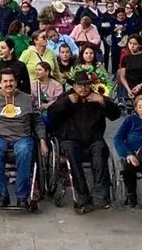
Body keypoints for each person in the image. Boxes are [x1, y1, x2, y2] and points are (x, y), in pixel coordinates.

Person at [0, 69, 49, 208]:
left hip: (22, 136)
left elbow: (37, 121)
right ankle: (2, 194)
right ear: (0, 83)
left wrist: (43, 141)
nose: (8, 84)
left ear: (16, 82)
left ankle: (22, 196)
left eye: (11, 81)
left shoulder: (27, 99)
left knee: (24, 152)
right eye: (5, 81)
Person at [49, 72, 120, 212]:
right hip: (71, 140)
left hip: (93, 140)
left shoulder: (96, 98)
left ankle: (101, 196)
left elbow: (115, 114)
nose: (83, 88)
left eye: (86, 85)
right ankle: (82, 196)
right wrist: (67, 101)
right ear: (74, 86)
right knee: (71, 152)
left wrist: (103, 101)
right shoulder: (66, 98)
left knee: (100, 150)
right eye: (79, 85)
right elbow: (51, 114)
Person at [118, 35, 142, 100]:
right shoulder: (125, 58)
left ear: (140, 45)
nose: (132, 46)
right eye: (130, 43)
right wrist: (128, 89)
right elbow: (122, 76)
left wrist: (140, 86)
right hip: (128, 86)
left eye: (135, 44)